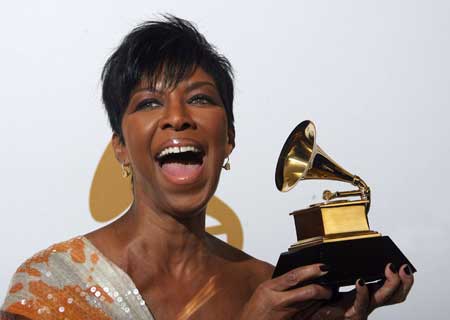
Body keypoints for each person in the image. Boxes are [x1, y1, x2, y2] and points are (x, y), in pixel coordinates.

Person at [0, 16, 413, 320]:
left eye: (199, 99)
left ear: (228, 139)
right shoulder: (51, 283)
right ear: (121, 148)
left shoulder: (274, 289)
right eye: (149, 103)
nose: (177, 117)